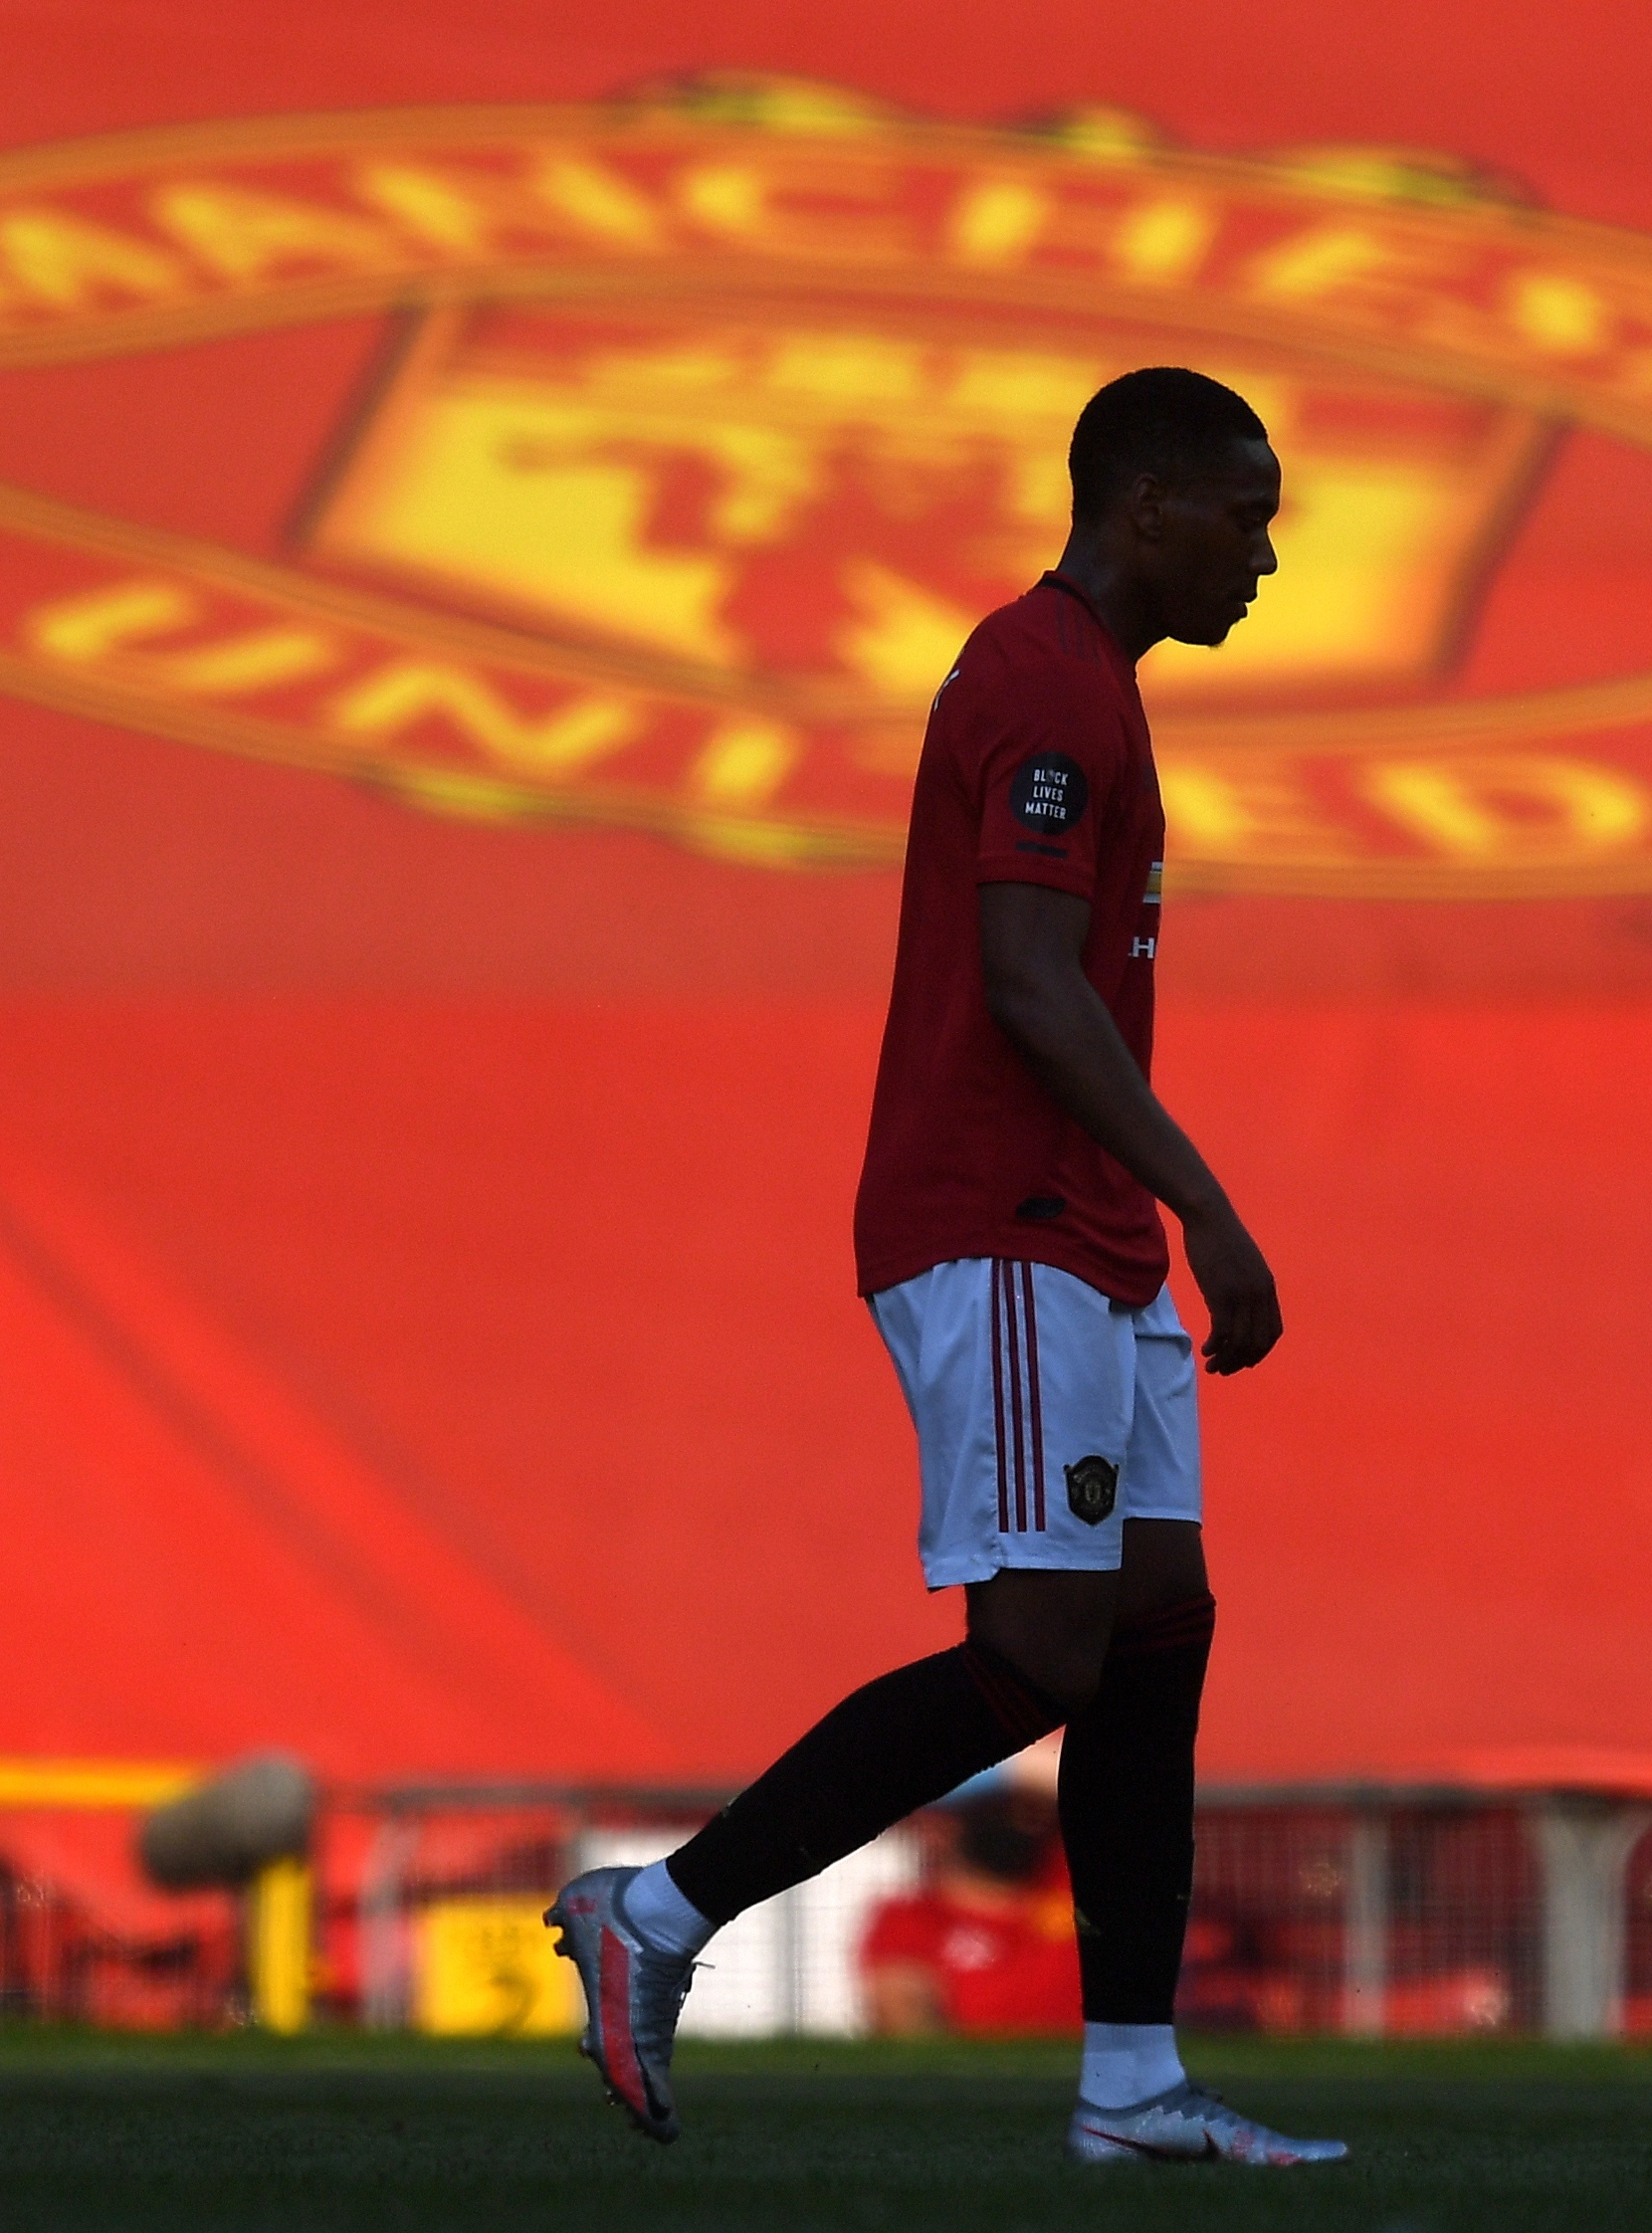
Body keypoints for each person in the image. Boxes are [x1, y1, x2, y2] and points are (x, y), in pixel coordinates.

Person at [548, 368, 1343, 2168]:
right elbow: (1026, 982)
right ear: (1145, 506)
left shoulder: (1090, 685)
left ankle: (1130, 2083)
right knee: (1043, 1649)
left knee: (1152, 1626)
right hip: (1005, 1223)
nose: (1264, 558)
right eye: (1246, 516)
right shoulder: (1039, 681)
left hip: (1085, 1232)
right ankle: (655, 1915)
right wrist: (1210, 1204)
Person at [857, 1779, 1081, 2037]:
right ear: (933, 1826)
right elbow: (909, 2024)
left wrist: (1011, 1772)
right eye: (993, 1807)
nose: (1020, 1818)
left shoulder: (1065, 1876)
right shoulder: (911, 1921)